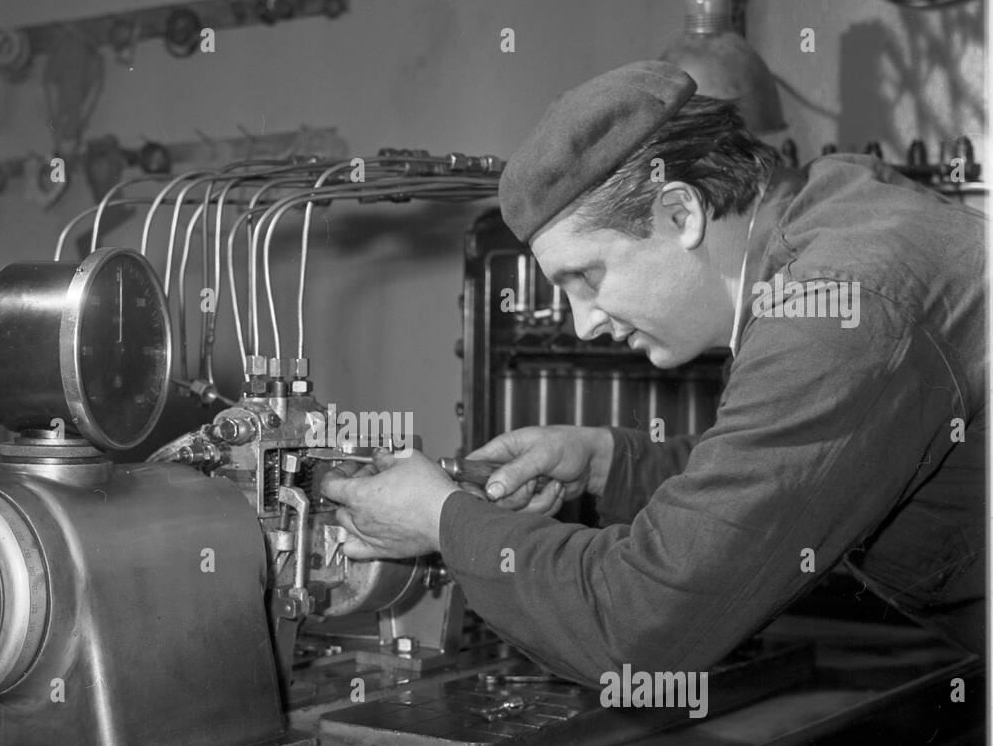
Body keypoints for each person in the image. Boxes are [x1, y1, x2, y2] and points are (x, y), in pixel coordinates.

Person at [320, 61, 986, 684]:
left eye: (586, 275)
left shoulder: (837, 308)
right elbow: (804, 459)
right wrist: (609, 462)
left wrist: (442, 519)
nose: (583, 324)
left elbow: (641, 628)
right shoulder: (835, 214)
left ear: (681, 212)